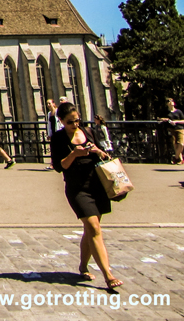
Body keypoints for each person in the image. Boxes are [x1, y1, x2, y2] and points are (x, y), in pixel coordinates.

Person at [51, 101, 123, 291]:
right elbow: (60, 166)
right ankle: (108, 275)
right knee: (93, 227)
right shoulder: (58, 139)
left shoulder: (88, 132)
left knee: (91, 229)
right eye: (70, 122)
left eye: (77, 120)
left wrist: (98, 151)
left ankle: (83, 266)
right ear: (61, 121)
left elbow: (103, 155)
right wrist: (74, 154)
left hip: (96, 185)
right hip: (77, 188)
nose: (75, 125)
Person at [160, 98, 184, 165]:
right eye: (168, 101)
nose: (170, 102)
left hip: (180, 129)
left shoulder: (178, 112)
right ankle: (181, 160)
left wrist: (176, 121)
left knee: (181, 144)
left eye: (172, 101)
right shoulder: (166, 112)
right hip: (171, 129)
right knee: (175, 145)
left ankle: (175, 157)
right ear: (167, 104)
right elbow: (159, 118)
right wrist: (165, 119)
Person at [44, 100, 63, 170]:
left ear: (53, 104)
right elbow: (49, 124)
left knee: (60, 148)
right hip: (53, 133)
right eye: (47, 104)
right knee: (53, 149)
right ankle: (52, 164)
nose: (48, 105)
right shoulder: (49, 113)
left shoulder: (57, 112)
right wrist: (49, 134)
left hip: (58, 132)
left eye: (49, 103)